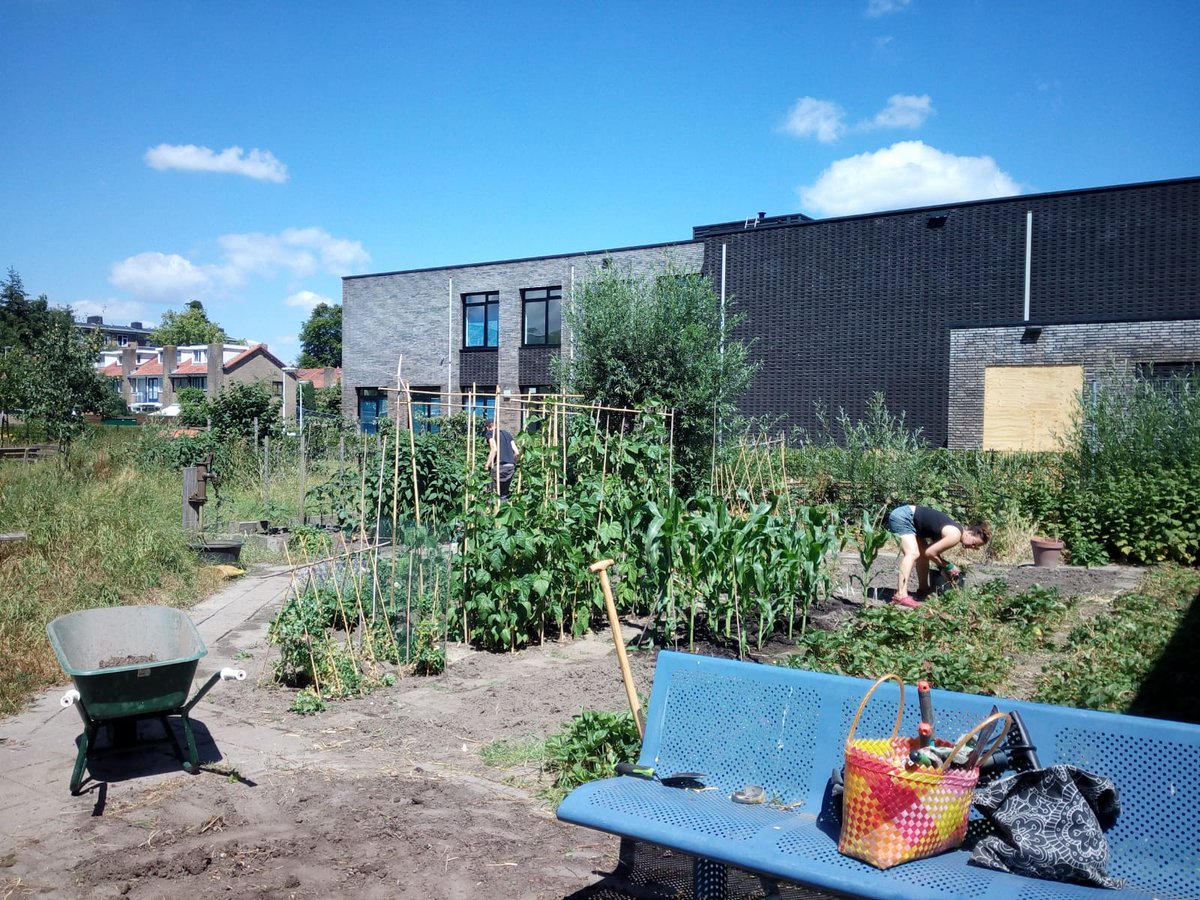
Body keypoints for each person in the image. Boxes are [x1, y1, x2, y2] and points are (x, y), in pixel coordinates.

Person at [886, 504, 991, 608]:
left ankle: (923, 589)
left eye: (975, 547)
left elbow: (930, 553)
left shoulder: (954, 531)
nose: (972, 546)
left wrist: (942, 568)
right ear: (970, 532)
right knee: (912, 553)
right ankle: (900, 595)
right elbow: (930, 553)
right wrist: (948, 566)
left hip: (911, 520)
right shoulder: (955, 535)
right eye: (974, 542)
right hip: (904, 517)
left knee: (921, 553)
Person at [484, 419, 519, 499]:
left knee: (493, 492)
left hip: (500, 466)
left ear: (488, 427)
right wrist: (513, 463)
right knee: (504, 493)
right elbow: (516, 452)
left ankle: (493, 510)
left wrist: (487, 465)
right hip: (510, 467)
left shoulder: (490, 433)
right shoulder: (507, 434)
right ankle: (503, 508)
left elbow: (494, 449)